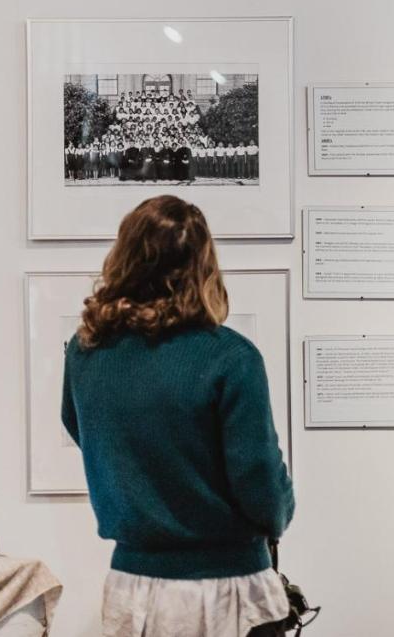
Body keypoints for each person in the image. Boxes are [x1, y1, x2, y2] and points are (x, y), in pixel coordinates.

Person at [61, 196, 294, 637]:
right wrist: (279, 512)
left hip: (133, 587)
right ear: (203, 265)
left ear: (123, 258)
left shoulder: (85, 352)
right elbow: (259, 481)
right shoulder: (231, 357)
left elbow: (82, 430)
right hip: (229, 588)